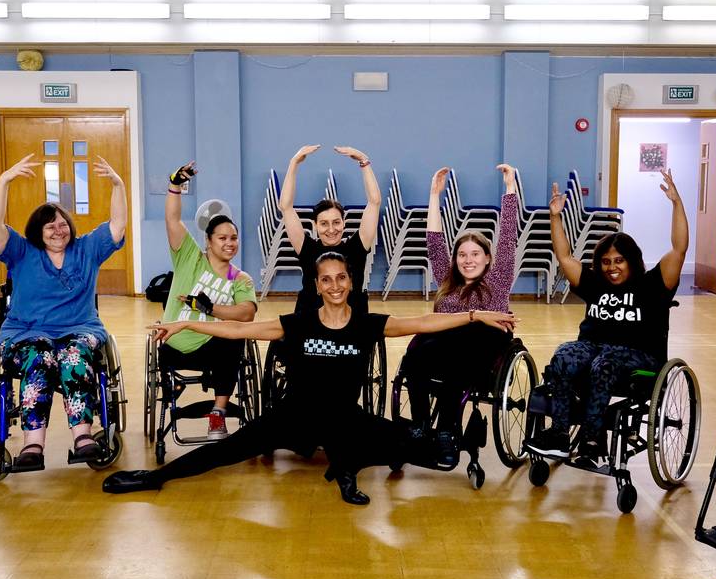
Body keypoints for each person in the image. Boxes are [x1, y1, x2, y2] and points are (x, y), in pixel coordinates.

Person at [102, 253, 518, 505]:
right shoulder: (297, 323)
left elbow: (423, 322)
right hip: (293, 416)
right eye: (326, 280)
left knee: (427, 452)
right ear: (317, 286)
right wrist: (182, 325)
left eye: (341, 278)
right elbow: (240, 331)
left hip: (344, 418)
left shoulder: (368, 324)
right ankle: (153, 479)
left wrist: (475, 314)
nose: (335, 285)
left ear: (350, 282)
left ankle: (347, 463)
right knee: (227, 450)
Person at [526, 169, 688, 458]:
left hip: (638, 353)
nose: (612, 267)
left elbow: (678, 249)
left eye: (619, 261)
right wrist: (555, 217)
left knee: (605, 363)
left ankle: (591, 438)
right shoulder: (595, 283)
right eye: (606, 262)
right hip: (593, 347)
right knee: (564, 356)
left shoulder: (652, 284)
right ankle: (560, 434)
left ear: (632, 260)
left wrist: (676, 203)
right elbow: (564, 257)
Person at [0, 152, 127, 472]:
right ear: (38, 231)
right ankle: (32, 444)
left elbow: (117, 226)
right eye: (50, 226)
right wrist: (4, 181)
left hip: (79, 329)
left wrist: (118, 185)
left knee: (72, 355)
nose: (58, 230)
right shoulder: (22, 252)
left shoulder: (86, 249)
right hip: (26, 332)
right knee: (41, 355)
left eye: (62, 224)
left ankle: (83, 436)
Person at [402, 163, 520, 433]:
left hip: (481, 348)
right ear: (455, 260)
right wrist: (434, 195)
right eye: (462, 255)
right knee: (415, 357)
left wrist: (510, 188)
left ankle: (446, 430)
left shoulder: (498, 279)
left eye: (475, 254)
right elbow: (434, 241)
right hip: (445, 343)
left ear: (487, 258)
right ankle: (419, 424)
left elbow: (507, 236)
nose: (468, 260)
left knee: (458, 356)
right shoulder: (447, 280)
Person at [159, 161, 258, 437]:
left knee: (236, 337)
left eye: (234, 238)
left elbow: (246, 313)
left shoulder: (240, 278)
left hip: (213, 349)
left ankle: (218, 413)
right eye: (223, 238)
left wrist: (209, 308)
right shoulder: (189, 257)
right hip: (174, 345)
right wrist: (175, 184)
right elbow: (172, 220)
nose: (230, 243)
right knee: (231, 337)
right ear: (209, 241)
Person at [279, 144, 381, 314]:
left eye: (336, 222)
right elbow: (286, 207)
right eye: (324, 223)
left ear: (344, 223)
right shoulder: (307, 248)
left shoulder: (357, 247)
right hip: (311, 324)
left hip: (350, 325)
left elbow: (374, 202)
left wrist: (364, 160)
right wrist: (294, 163)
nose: (331, 229)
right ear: (315, 225)